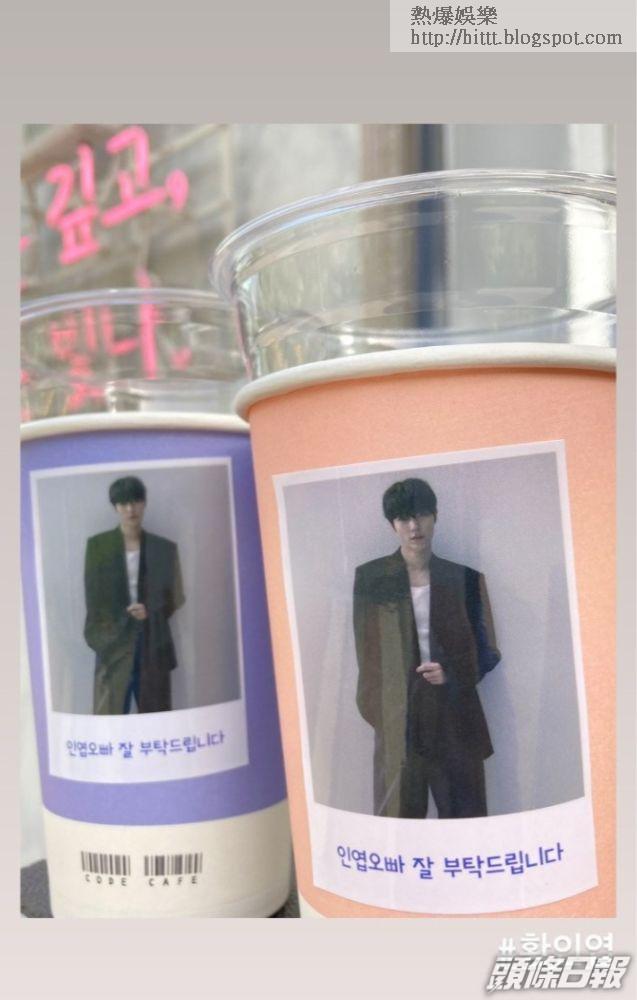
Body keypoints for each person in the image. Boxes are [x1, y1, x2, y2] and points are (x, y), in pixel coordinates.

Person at [353, 478, 501, 819]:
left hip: (454, 717)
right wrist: (382, 714)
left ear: (435, 516)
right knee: (398, 827)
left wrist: (451, 673)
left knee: (465, 824)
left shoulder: (465, 579)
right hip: (399, 720)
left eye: (421, 514)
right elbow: (367, 654)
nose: (414, 526)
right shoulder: (371, 579)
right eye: (403, 518)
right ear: (392, 525)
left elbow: (488, 650)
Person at [84, 476, 185, 715]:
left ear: (144, 503)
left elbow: (176, 596)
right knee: (108, 721)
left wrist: (150, 609)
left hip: (153, 643)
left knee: (157, 719)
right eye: (123, 503)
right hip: (113, 645)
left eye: (136, 501)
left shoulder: (164, 548)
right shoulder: (98, 546)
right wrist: (110, 629)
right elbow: (93, 599)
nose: (131, 509)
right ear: (115, 507)